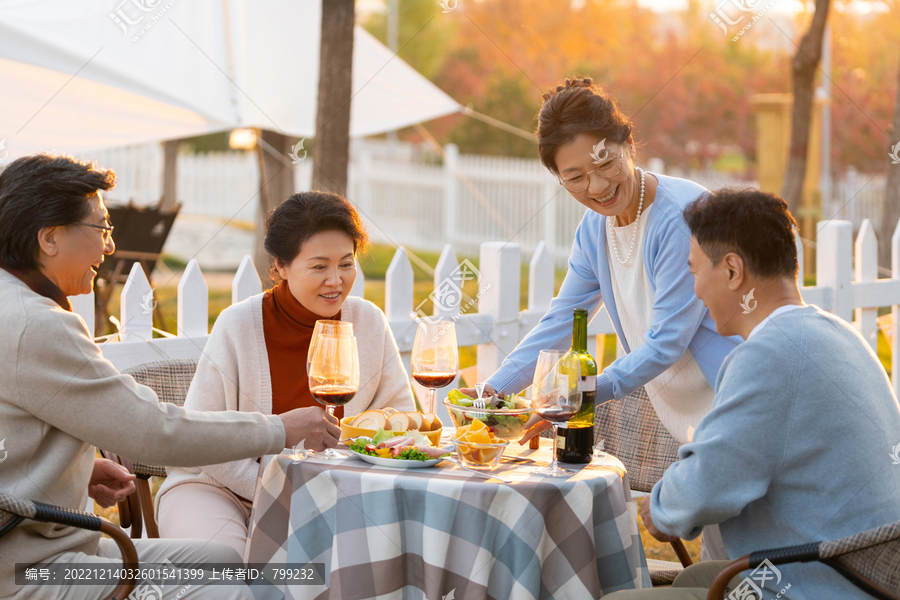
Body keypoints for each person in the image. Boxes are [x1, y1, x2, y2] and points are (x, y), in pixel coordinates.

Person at [0, 154, 341, 600]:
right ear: (49, 238)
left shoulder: (15, 303)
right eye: (102, 228)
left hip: (43, 548)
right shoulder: (34, 322)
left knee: (226, 564)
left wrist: (74, 470)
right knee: (240, 593)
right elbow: (153, 431)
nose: (108, 247)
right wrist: (280, 428)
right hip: (30, 571)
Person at [471, 77, 741, 559]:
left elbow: (666, 343)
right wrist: (491, 392)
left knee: (745, 561)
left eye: (605, 162)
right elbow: (561, 320)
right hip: (689, 414)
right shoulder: (594, 230)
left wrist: (578, 396)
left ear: (628, 144)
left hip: (734, 397)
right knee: (727, 565)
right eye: (574, 177)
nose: (596, 186)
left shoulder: (680, 217)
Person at [610, 188, 900, 599]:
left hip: (812, 582)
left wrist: (658, 508)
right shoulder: (841, 335)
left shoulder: (769, 355)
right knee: (697, 578)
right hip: (865, 578)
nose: (694, 290)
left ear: (732, 271)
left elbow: (704, 487)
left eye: (694, 271)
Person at [156, 191, 416, 555]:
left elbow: (400, 416)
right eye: (319, 266)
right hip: (220, 487)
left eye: (346, 263)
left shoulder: (367, 322)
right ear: (280, 264)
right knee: (220, 567)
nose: (336, 280)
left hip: (338, 490)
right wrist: (276, 489)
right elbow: (203, 442)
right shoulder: (239, 325)